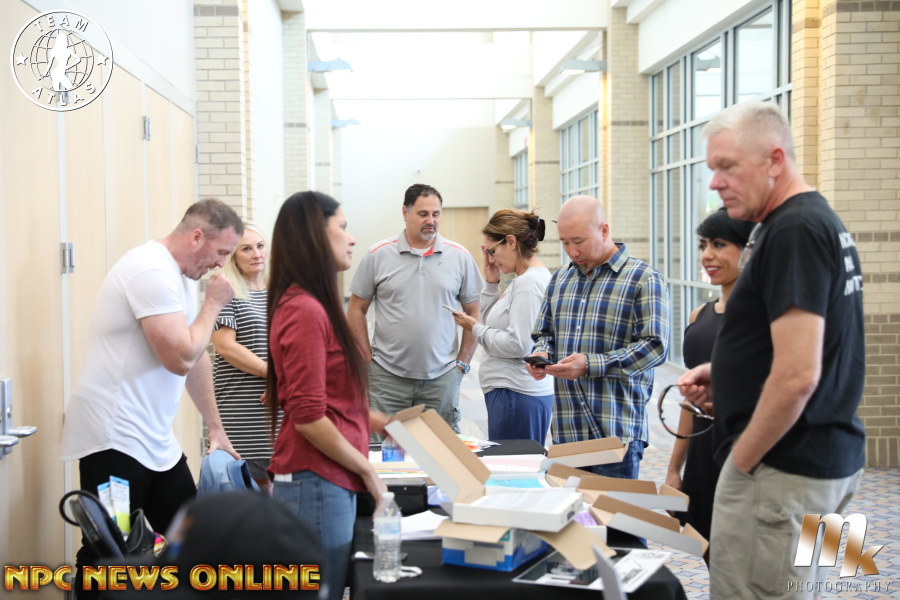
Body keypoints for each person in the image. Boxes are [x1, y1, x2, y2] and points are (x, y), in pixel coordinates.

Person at [678, 101, 865, 599]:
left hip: (782, 473)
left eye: (727, 167)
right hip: (824, 464)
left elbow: (799, 375)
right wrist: (728, 374)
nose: (715, 183)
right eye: (712, 168)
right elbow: (815, 347)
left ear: (775, 160)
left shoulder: (793, 230)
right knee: (809, 590)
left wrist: (740, 463)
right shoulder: (817, 221)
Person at [60, 199, 243, 600]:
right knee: (109, 549)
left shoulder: (180, 276)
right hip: (114, 438)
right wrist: (213, 304)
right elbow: (179, 358)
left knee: (189, 536)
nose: (221, 264)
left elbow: (196, 359)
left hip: (154, 439)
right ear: (197, 236)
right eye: (221, 252)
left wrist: (215, 427)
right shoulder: (150, 270)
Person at [266, 191, 387, 600]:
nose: (351, 239)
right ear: (315, 234)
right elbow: (308, 416)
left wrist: (382, 423)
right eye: (343, 227)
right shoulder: (304, 309)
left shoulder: (312, 303)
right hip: (315, 478)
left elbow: (330, 402)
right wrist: (369, 472)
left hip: (326, 477)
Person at [528, 196, 669, 479]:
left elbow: (655, 347)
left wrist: (591, 365)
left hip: (616, 432)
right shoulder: (560, 280)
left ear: (604, 230)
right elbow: (544, 333)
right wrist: (541, 354)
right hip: (568, 431)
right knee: (569, 508)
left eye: (578, 241)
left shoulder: (643, 278)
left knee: (611, 509)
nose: (572, 251)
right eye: (564, 242)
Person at [348, 183, 483, 432]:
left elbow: (474, 312)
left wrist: (462, 364)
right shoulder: (378, 254)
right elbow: (356, 309)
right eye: (423, 214)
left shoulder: (460, 256)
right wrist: (367, 359)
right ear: (405, 212)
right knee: (383, 450)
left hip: (442, 378)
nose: (431, 220)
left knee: (443, 449)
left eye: (436, 214)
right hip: (387, 379)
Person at [664, 207, 753, 547]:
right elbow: (690, 401)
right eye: (703, 245)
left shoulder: (766, 320)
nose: (707, 255)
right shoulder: (698, 315)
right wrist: (675, 469)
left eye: (719, 244)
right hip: (703, 457)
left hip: (746, 458)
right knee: (711, 554)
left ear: (749, 250)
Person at [450, 209, 554, 444]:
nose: (491, 259)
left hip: (516, 395)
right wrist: (491, 283)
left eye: (492, 251)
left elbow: (519, 345)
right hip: (512, 395)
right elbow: (493, 323)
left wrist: (474, 328)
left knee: (513, 465)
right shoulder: (523, 280)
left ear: (511, 242)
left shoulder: (528, 283)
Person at [212, 222, 276, 492]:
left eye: (260, 246)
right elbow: (225, 346)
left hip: (279, 404)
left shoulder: (279, 292)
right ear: (233, 257)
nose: (256, 254)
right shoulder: (227, 291)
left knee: (278, 488)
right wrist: (271, 374)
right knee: (247, 487)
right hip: (241, 407)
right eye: (246, 249)